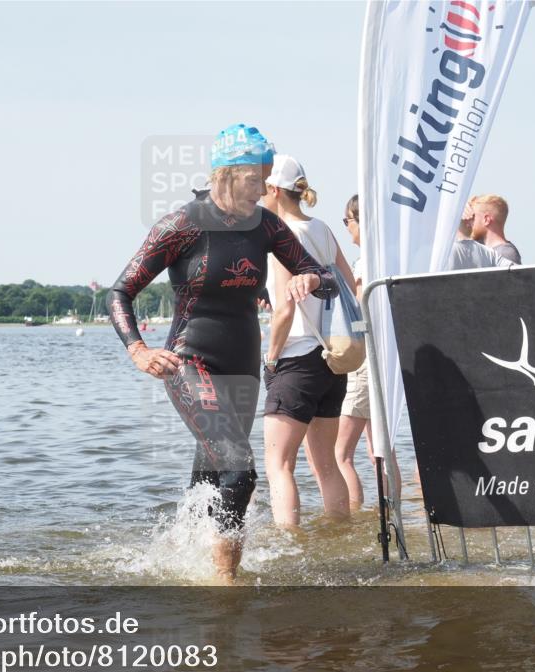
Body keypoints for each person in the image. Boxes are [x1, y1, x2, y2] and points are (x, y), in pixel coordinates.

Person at [107, 124, 340, 583]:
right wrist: (138, 349)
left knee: (212, 477)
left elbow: (322, 274)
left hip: (243, 368)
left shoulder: (266, 225)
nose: (265, 188)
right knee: (240, 471)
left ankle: (173, 560)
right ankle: (223, 586)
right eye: (258, 179)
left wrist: (308, 279)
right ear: (229, 173)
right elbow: (120, 292)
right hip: (189, 361)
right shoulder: (182, 225)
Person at [260, 155, 353, 527]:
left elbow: (284, 311)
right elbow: (347, 285)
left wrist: (270, 358)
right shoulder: (324, 230)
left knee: (279, 464)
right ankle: (341, 533)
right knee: (326, 463)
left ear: (272, 190)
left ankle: (289, 542)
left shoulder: (284, 234)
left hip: (297, 357)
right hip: (332, 358)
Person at [333, 194, 401, 510]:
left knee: (341, 453)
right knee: (382, 448)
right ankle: (393, 511)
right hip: (386, 358)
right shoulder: (390, 257)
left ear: (361, 221)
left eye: (347, 221)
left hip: (364, 363)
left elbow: (358, 315)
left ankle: (353, 518)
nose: (347, 229)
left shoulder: (364, 264)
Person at [466, 194, 522, 264]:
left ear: (486, 220)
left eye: (472, 218)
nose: (468, 224)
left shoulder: (505, 254)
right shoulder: (480, 250)